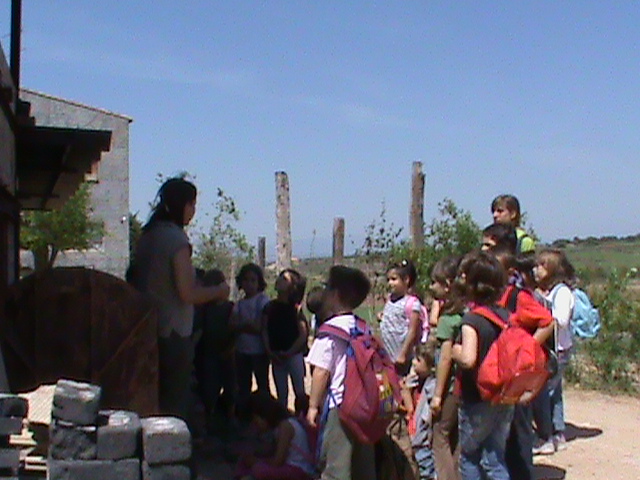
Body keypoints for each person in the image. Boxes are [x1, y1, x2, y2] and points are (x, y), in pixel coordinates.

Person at [131, 177, 229, 421]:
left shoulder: (148, 236)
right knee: (173, 406)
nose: (194, 211)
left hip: (144, 327)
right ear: (181, 205)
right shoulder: (176, 240)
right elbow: (187, 293)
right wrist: (218, 291)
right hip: (172, 332)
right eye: (192, 204)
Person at [306, 265, 375, 480]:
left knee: (336, 468)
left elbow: (321, 372)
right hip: (363, 405)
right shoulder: (363, 327)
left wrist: (313, 406)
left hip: (339, 406)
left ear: (334, 295)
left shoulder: (329, 332)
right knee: (362, 467)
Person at [492, 249, 555, 479]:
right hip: (497, 373)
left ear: (509, 272)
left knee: (519, 429)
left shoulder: (517, 297)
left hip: (516, 375)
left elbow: (547, 322)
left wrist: (527, 349)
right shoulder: (490, 297)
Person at [452, 251, 513, 480]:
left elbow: (469, 359)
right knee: (495, 456)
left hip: (476, 397)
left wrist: (454, 350)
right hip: (504, 395)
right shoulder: (506, 316)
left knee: (469, 455)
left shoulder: (472, 320)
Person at [533, 249, 576, 453]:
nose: (536, 269)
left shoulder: (562, 292)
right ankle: (558, 432)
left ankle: (546, 436)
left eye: (542, 265)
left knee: (544, 392)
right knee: (555, 392)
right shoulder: (549, 291)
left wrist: (542, 315)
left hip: (557, 350)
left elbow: (562, 319)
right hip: (554, 348)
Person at [428, 256, 464, 480]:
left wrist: (437, 396)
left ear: (448, 285)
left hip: (450, 387)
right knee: (457, 436)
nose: (431, 287)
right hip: (466, 386)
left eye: (435, 282)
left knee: (439, 435)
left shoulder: (448, 320)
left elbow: (445, 359)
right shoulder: (466, 313)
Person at [235, 392, 316, 480]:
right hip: (288, 466)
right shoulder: (277, 429)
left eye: (256, 422)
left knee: (259, 470)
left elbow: (278, 461)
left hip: (298, 469)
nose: (256, 426)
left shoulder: (286, 426)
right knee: (244, 462)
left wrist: (256, 461)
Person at [197, 269, 237, 434]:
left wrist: (231, 348)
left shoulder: (230, 308)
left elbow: (235, 330)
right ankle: (209, 420)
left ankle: (230, 419)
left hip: (227, 353)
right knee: (210, 388)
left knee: (230, 388)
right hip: (209, 354)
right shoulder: (204, 310)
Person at [263, 269, 308, 408]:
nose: (279, 280)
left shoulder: (296, 309)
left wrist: (290, 352)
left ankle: (302, 416)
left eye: (285, 279)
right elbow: (264, 329)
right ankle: (283, 417)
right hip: (276, 356)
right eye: (280, 277)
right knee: (281, 394)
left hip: (294, 356)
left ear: (293, 286)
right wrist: (269, 352)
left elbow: (303, 334)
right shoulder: (269, 307)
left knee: (300, 392)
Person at [231, 263, 271, 417]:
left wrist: (244, 326)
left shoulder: (263, 301)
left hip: (259, 351)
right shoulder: (239, 304)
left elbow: (259, 327)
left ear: (259, 282)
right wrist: (246, 326)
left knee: (262, 386)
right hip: (242, 351)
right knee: (243, 387)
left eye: (253, 280)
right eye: (246, 280)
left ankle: (265, 416)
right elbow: (233, 325)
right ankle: (244, 417)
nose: (249, 284)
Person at [379, 259, 423, 376]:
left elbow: (412, 330)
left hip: (401, 358)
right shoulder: (389, 299)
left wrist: (403, 354)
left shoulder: (412, 303)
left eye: (394, 279)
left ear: (406, 280)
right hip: (387, 355)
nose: (390, 283)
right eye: (388, 280)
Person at [409, 341, 438, 480]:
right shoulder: (418, 382)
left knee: (426, 473)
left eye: (418, 360)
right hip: (417, 439)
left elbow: (427, 418)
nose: (413, 362)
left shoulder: (432, 386)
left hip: (423, 442)